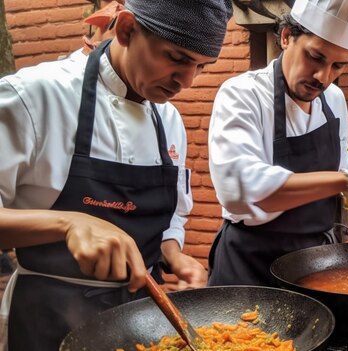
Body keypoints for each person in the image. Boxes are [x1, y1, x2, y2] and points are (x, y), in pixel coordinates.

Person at [0, 0, 232, 349]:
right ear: (126, 29)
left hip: (147, 321)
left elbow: (170, 217)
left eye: (201, 66)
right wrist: (68, 224)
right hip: (50, 317)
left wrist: (173, 254)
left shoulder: (168, 120)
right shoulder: (34, 97)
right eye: (177, 58)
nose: (186, 81)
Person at [208, 0, 348, 286]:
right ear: (285, 37)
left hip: (313, 263)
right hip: (249, 266)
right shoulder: (242, 95)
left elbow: (340, 159)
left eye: (338, 66)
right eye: (315, 57)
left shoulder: (334, 100)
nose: (323, 77)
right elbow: (242, 188)